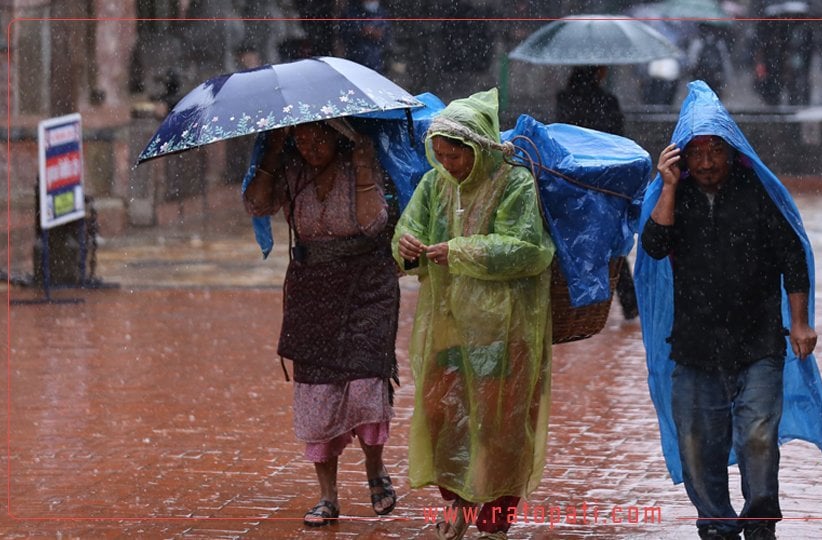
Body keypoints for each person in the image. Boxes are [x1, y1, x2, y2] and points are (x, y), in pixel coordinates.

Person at [636, 81, 822, 540]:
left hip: (758, 341)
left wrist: (799, 321)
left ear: (730, 149)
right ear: (682, 154)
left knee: (758, 437)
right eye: (695, 152)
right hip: (694, 346)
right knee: (698, 448)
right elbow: (655, 246)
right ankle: (717, 525)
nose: (705, 163)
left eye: (714, 151)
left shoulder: (757, 192)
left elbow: (791, 256)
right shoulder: (675, 195)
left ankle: (760, 524)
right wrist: (665, 186)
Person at [393, 88, 555, 540]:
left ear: (478, 149)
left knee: (497, 421)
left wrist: (458, 251)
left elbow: (527, 249)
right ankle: (457, 504)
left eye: (455, 156)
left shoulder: (515, 183)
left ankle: (495, 518)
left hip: (505, 328)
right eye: (439, 154)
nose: (447, 164)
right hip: (446, 324)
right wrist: (405, 248)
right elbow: (408, 232)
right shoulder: (433, 185)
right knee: (442, 413)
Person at [243, 120, 400, 527]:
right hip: (312, 291)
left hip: (367, 287)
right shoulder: (290, 170)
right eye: (302, 137)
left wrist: (364, 169)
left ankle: (375, 469)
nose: (310, 145)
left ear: (340, 134)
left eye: (319, 135)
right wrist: (274, 152)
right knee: (317, 394)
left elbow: (373, 224)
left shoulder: (363, 162)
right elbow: (257, 205)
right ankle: (327, 497)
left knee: (366, 384)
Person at [555, 65, 639, 320]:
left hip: (573, 178)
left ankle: (571, 301)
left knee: (569, 238)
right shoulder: (607, 101)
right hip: (604, 179)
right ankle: (628, 300)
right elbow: (618, 139)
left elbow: (561, 136)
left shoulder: (564, 99)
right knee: (609, 238)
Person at [340, 0, 391, 73]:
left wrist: (377, 34)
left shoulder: (382, 14)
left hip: (376, 64)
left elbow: (386, 37)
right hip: (355, 62)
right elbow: (344, 34)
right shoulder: (351, 12)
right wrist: (361, 31)